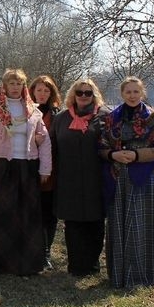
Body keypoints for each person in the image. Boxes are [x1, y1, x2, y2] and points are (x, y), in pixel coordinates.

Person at [99, 77, 154, 288]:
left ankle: (147, 272)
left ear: (142, 93)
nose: (132, 95)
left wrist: (136, 155)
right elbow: (101, 147)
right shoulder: (111, 118)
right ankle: (121, 274)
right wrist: (113, 155)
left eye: (136, 92)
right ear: (122, 94)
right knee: (119, 226)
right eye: (128, 92)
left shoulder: (153, 118)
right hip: (118, 178)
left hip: (143, 177)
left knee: (143, 226)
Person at [0, 69, 51, 276]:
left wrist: (45, 168)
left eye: (19, 83)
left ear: (24, 86)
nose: (15, 87)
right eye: (12, 83)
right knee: (3, 215)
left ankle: (28, 262)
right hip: (3, 167)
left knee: (28, 214)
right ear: (4, 86)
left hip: (27, 166)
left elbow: (44, 141)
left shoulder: (33, 111)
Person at [50, 78, 109, 277]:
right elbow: (52, 149)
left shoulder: (105, 117)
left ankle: (92, 264)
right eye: (80, 92)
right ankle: (76, 265)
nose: (83, 96)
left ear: (94, 96)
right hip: (68, 178)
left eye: (88, 93)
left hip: (96, 178)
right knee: (73, 224)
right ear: (73, 95)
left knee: (95, 222)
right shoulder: (61, 118)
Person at [29, 75, 62, 270]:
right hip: (27, 169)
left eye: (46, 91)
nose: (42, 94)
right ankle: (31, 250)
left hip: (50, 172)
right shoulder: (23, 112)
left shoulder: (57, 115)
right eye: (39, 90)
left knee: (48, 213)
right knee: (30, 212)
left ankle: (46, 251)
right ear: (32, 91)